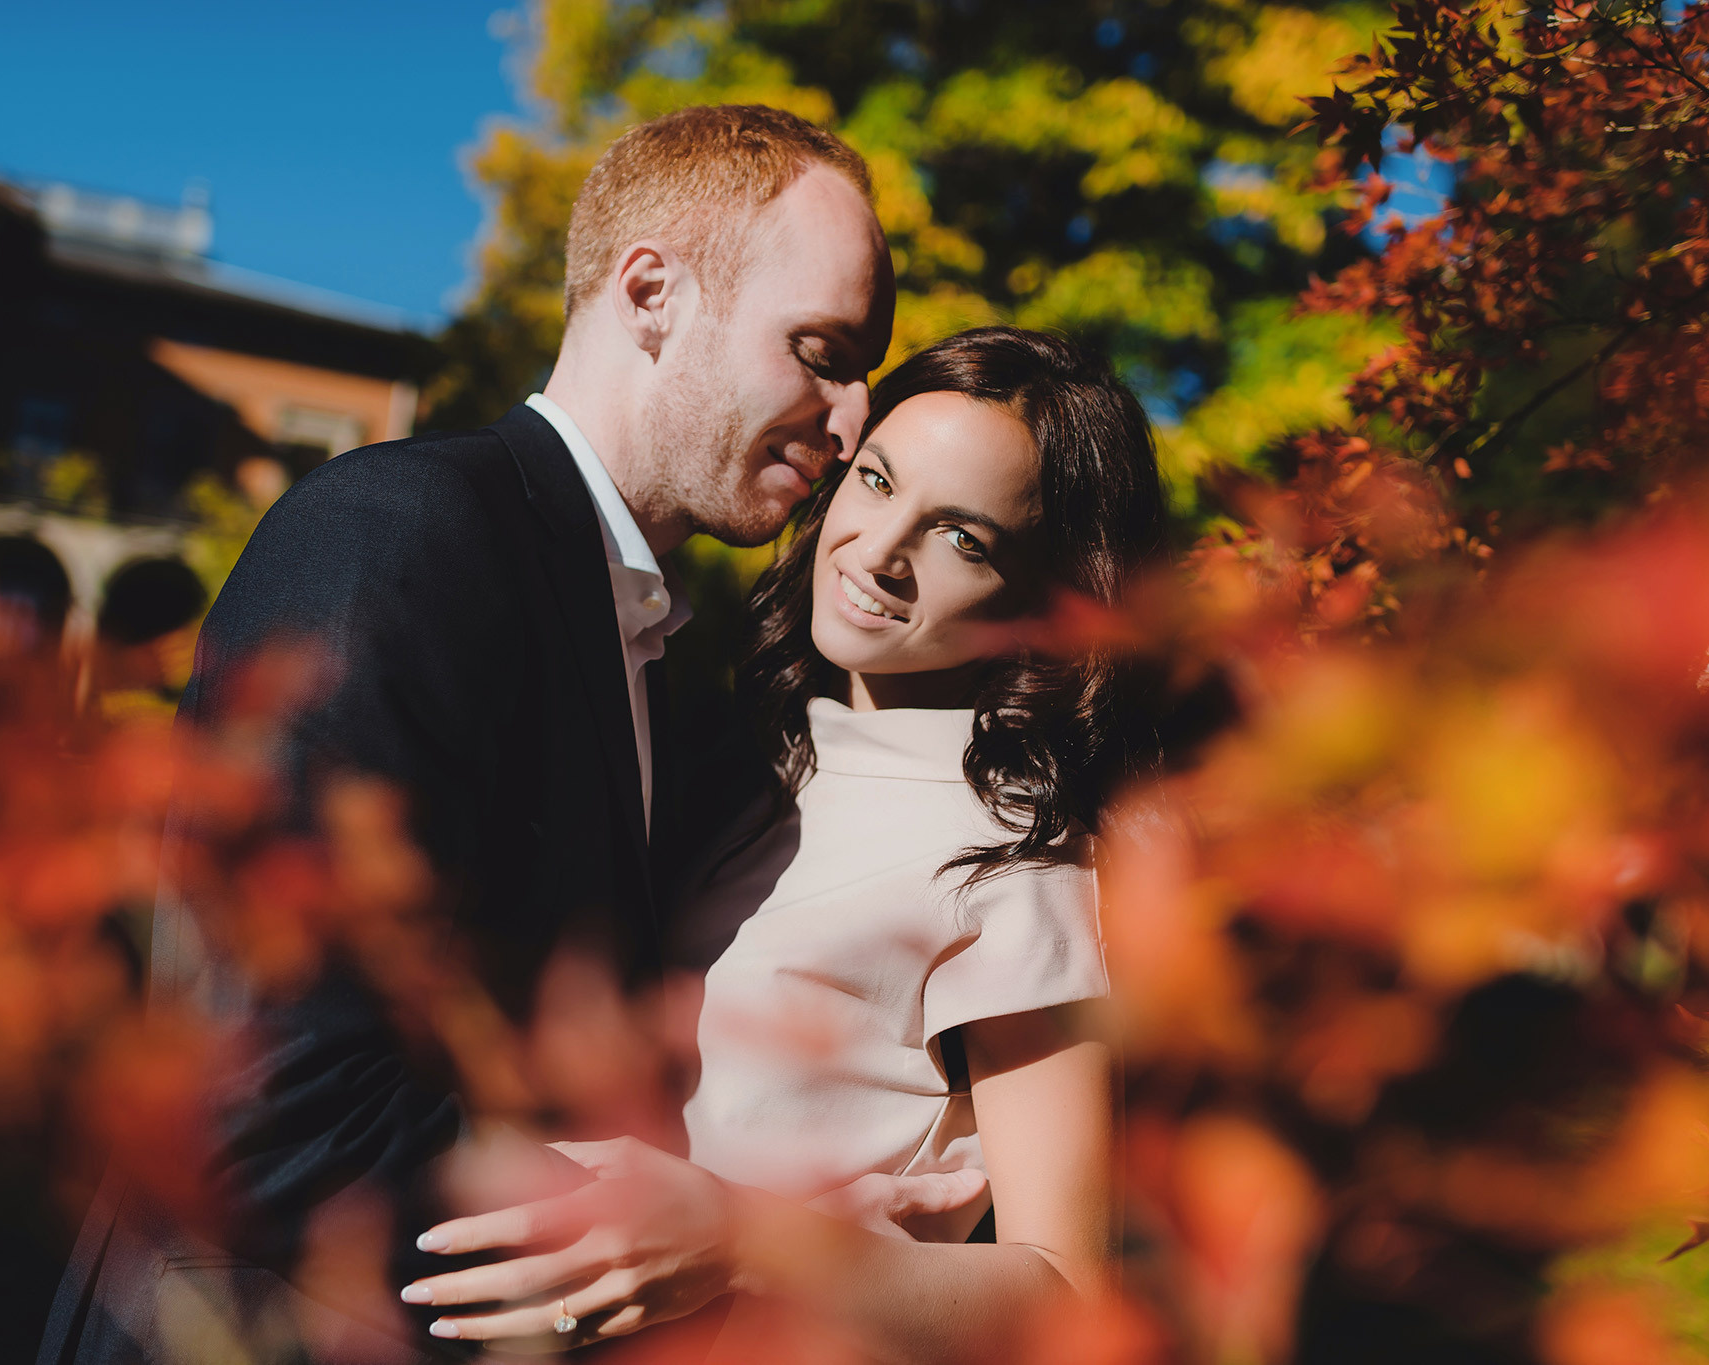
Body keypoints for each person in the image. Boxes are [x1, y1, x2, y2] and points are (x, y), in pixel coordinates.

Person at [34, 104, 965, 1365]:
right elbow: (268, 1109)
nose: (850, 420)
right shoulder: (400, 535)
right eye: (818, 350)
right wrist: (711, 1252)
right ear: (651, 292)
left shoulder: (644, 646)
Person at [402, 326, 1167, 1364]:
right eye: (876, 481)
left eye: (963, 538)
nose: (879, 554)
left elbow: (1071, 1297)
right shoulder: (725, 757)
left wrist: (746, 1240)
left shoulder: (1014, 854)